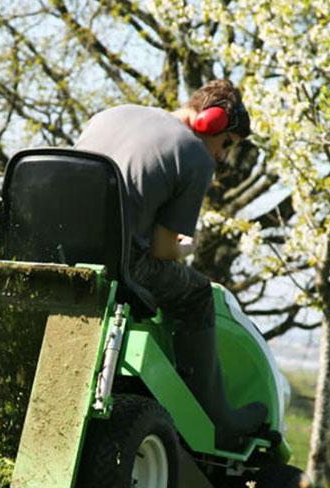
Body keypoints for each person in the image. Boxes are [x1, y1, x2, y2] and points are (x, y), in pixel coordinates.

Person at [74, 79, 267, 449]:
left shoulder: (111, 115)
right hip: (118, 264)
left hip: (57, 250)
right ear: (209, 122)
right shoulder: (193, 153)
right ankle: (217, 419)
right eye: (226, 143)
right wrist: (185, 249)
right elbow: (162, 253)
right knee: (195, 293)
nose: (223, 157)